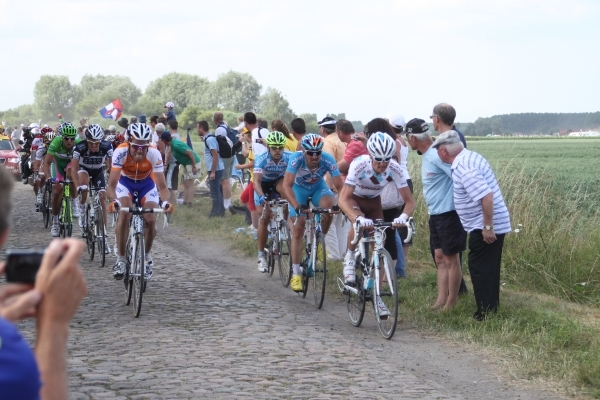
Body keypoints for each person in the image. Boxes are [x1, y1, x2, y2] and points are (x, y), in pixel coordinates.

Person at [0, 165, 88, 400]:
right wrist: (54, 328)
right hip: (55, 173)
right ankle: (56, 218)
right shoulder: (7, 349)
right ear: (4, 235)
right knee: (57, 188)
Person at [433, 130, 511, 320]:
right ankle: (490, 308)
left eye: (437, 149)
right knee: (488, 267)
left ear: (443, 151)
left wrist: (487, 227)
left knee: (479, 267)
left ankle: (484, 313)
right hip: (489, 222)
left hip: (484, 225)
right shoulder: (470, 156)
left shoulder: (462, 167)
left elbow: (487, 195)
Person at [338, 132, 416, 316]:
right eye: (378, 159)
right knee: (359, 226)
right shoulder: (359, 164)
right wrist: (356, 218)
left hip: (374, 202)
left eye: (387, 160)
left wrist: (403, 217)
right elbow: (342, 200)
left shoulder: (394, 168)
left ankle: (377, 295)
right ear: (370, 155)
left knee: (380, 241)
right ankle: (349, 258)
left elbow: (410, 202)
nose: (382, 164)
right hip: (354, 199)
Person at [405, 119, 467, 311]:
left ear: (413, 138)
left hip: (449, 213)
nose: (408, 141)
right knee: (439, 257)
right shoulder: (428, 155)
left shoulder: (437, 156)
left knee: (451, 259)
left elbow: (458, 175)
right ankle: (440, 299)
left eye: (408, 138)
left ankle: (451, 303)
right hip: (436, 214)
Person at [107, 123, 172, 281]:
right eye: (136, 146)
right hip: (125, 183)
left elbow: (162, 186)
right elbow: (111, 185)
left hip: (146, 185)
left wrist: (165, 203)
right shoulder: (120, 152)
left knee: (150, 219)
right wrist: (114, 201)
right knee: (125, 213)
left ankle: (147, 257)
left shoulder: (154, 153)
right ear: (129, 142)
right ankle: (121, 260)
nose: (140, 150)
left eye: (144, 146)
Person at [281, 133, 344, 292]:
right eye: (311, 153)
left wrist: (340, 205)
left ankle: (319, 240)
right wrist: (296, 206)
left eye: (318, 153)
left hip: (318, 188)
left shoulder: (328, 159)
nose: (315, 156)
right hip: (298, 190)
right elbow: (286, 186)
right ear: (304, 151)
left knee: (328, 206)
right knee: (298, 227)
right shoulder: (296, 159)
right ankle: (296, 273)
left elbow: (341, 186)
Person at [253, 131, 293, 272]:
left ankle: (282, 223)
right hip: (262, 185)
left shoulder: (288, 157)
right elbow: (256, 182)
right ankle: (261, 256)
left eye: (280, 148)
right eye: (274, 148)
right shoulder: (261, 158)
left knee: (286, 191)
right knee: (263, 218)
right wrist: (261, 195)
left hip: (277, 182)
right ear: (268, 147)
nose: (277, 151)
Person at [71, 124, 113, 253]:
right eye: (91, 143)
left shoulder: (107, 146)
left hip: (98, 171)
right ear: (86, 140)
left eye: (97, 143)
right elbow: (74, 168)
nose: (94, 145)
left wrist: (110, 182)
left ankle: (103, 237)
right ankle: (82, 211)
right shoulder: (79, 147)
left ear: (101, 141)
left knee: (102, 199)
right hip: (83, 170)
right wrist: (78, 186)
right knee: (84, 184)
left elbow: (112, 167)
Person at [43, 124, 82, 237]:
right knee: (57, 191)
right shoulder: (56, 142)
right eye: (66, 138)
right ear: (62, 137)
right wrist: (49, 178)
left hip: (71, 165)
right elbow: (47, 163)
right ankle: (55, 222)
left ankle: (75, 203)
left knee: (71, 175)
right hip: (58, 165)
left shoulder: (78, 143)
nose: (69, 141)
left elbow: (83, 161)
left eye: (72, 138)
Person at [319, 116, 348, 261]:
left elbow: (330, 168)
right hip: (346, 187)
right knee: (342, 225)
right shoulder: (342, 142)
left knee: (328, 223)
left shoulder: (327, 143)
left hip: (333, 187)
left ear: (322, 129)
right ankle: (342, 254)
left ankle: (333, 256)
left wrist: (328, 190)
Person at [389, 114, 412, 277]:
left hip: (400, 181)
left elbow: (394, 163)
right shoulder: (403, 141)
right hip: (407, 179)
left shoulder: (395, 142)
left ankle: (399, 268)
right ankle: (402, 264)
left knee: (394, 223)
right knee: (403, 223)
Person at [160, 131, 201, 206]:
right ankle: (185, 202)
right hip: (187, 163)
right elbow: (169, 153)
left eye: (162, 140)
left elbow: (190, 153)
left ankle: (189, 203)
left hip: (193, 162)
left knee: (190, 183)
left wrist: (194, 166)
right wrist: (166, 164)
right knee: (186, 183)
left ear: (165, 140)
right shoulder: (172, 144)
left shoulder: (176, 145)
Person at [197, 120, 225, 218]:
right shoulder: (208, 138)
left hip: (215, 170)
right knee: (217, 191)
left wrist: (213, 172)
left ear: (201, 128)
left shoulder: (209, 139)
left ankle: (214, 213)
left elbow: (215, 156)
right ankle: (221, 212)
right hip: (216, 169)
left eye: (198, 128)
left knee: (214, 193)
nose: (197, 130)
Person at [214, 112, 235, 211]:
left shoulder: (219, 129)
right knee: (228, 179)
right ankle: (227, 201)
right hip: (231, 154)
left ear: (215, 119)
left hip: (224, 156)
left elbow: (219, 144)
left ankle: (226, 204)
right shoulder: (226, 126)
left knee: (224, 180)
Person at [164, 121, 181, 205]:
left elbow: (170, 152)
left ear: (170, 126)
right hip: (176, 162)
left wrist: (166, 163)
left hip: (172, 162)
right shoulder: (178, 135)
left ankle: (171, 203)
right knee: (172, 183)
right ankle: (174, 201)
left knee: (169, 183)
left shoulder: (173, 137)